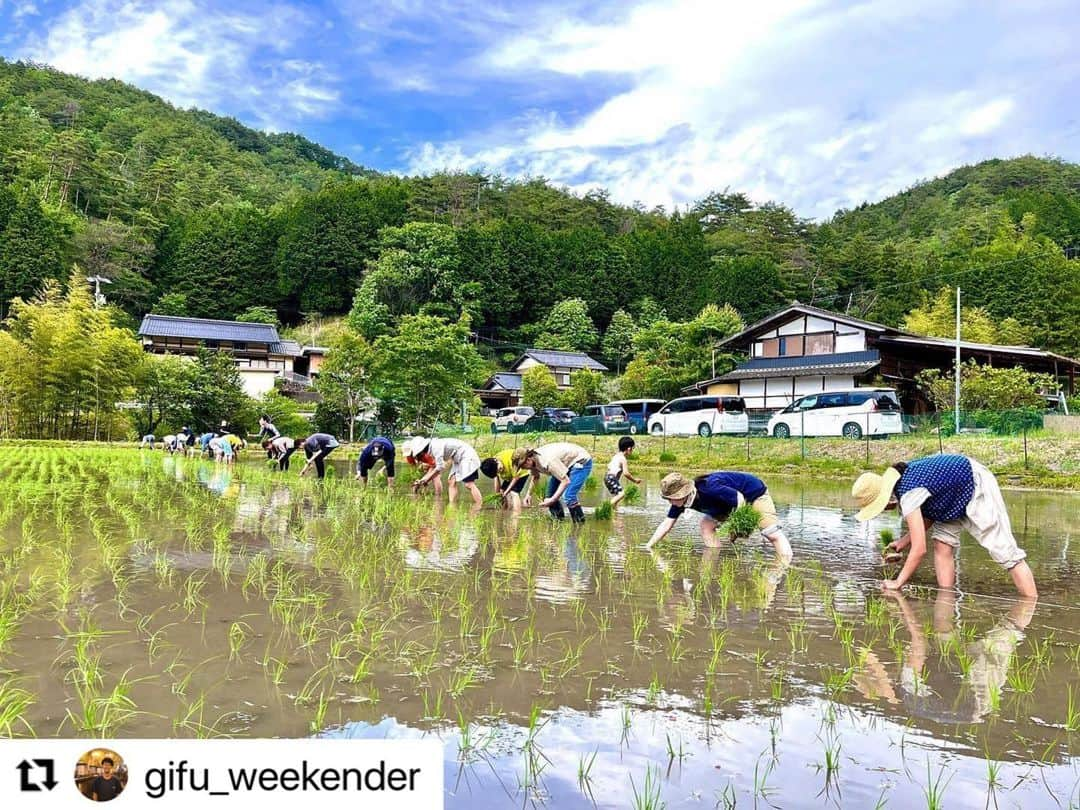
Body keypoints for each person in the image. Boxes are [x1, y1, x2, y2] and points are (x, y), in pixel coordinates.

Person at [852, 454, 1037, 597]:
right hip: (951, 497)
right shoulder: (904, 485)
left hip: (974, 484)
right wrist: (903, 542)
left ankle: (1031, 605)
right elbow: (931, 514)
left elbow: (919, 549)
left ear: (884, 499)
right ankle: (946, 600)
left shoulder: (908, 492)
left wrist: (898, 582)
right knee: (941, 544)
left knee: (1005, 552)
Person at [645, 471, 793, 562]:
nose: (670, 502)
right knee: (706, 526)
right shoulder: (680, 502)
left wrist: (737, 527)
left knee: (771, 534)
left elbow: (739, 498)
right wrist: (648, 547)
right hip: (726, 505)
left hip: (753, 494)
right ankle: (713, 558)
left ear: (683, 493)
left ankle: (785, 564)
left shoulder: (710, 488)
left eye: (671, 498)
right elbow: (666, 524)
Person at [511, 442, 593, 523]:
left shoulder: (547, 461)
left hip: (580, 460)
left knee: (569, 496)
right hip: (564, 463)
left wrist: (553, 500)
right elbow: (535, 477)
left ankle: (579, 526)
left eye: (522, 466)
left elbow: (565, 481)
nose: (523, 468)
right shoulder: (532, 461)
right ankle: (558, 522)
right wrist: (528, 495)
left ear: (528, 460)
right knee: (548, 496)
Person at [408, 437, 483, 506]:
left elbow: (440, 467)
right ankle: (452, 506)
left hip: (467, 456)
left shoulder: (435, 448)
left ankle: (479, 506)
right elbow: (435, 467)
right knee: (451, 481)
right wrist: (423, 480)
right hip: (457, 458)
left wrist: (426, 480)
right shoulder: (431, 449)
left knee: (469, 484)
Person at [480, 448, 532, 513]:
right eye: (498, 472)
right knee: (502, 491)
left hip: (521, 472)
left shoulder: (511, 459)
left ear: (496, 461)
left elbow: (515, 478)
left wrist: (506, 492)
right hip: (509, 475)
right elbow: (496, 478)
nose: (500, 471)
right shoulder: (491, 464)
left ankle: (516, 515)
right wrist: (498, 495)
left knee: (514, 493)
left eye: (499, 468)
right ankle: (504, 511)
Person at [605, 436, 642, 509]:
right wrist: (635, 480)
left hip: (607, 477)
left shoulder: (616, 456)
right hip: (611, 478)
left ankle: (615, 511)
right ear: (629, 449)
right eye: (632, 449)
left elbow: (609, 466)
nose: (632, 451)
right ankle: (606, 507)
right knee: (622, 494)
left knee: (616, 496)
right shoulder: (623, 459)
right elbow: (626, 473)